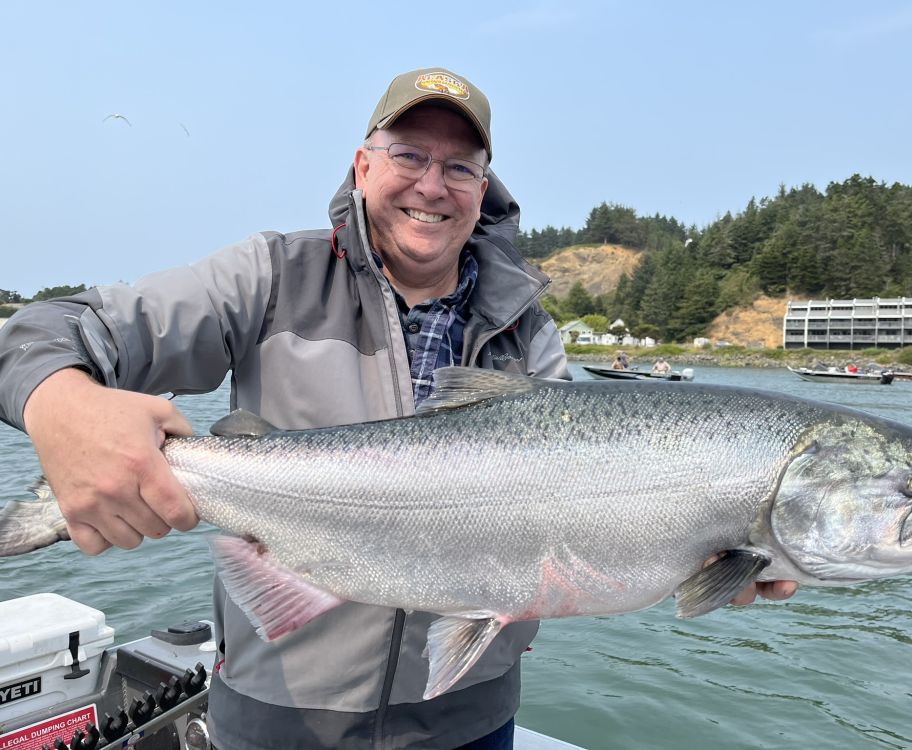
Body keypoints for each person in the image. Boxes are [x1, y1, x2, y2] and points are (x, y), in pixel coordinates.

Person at [0, 67, 796, 749]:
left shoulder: (530, 334)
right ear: (361, 165)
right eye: (409, 155)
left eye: (459, 167)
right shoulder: (270, 275)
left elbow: (587, 525)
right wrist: (61, 405)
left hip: (469, 715)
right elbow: (47, 330)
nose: (430, 184)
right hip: (280, 711)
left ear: (483, 190)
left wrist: (721, 557)